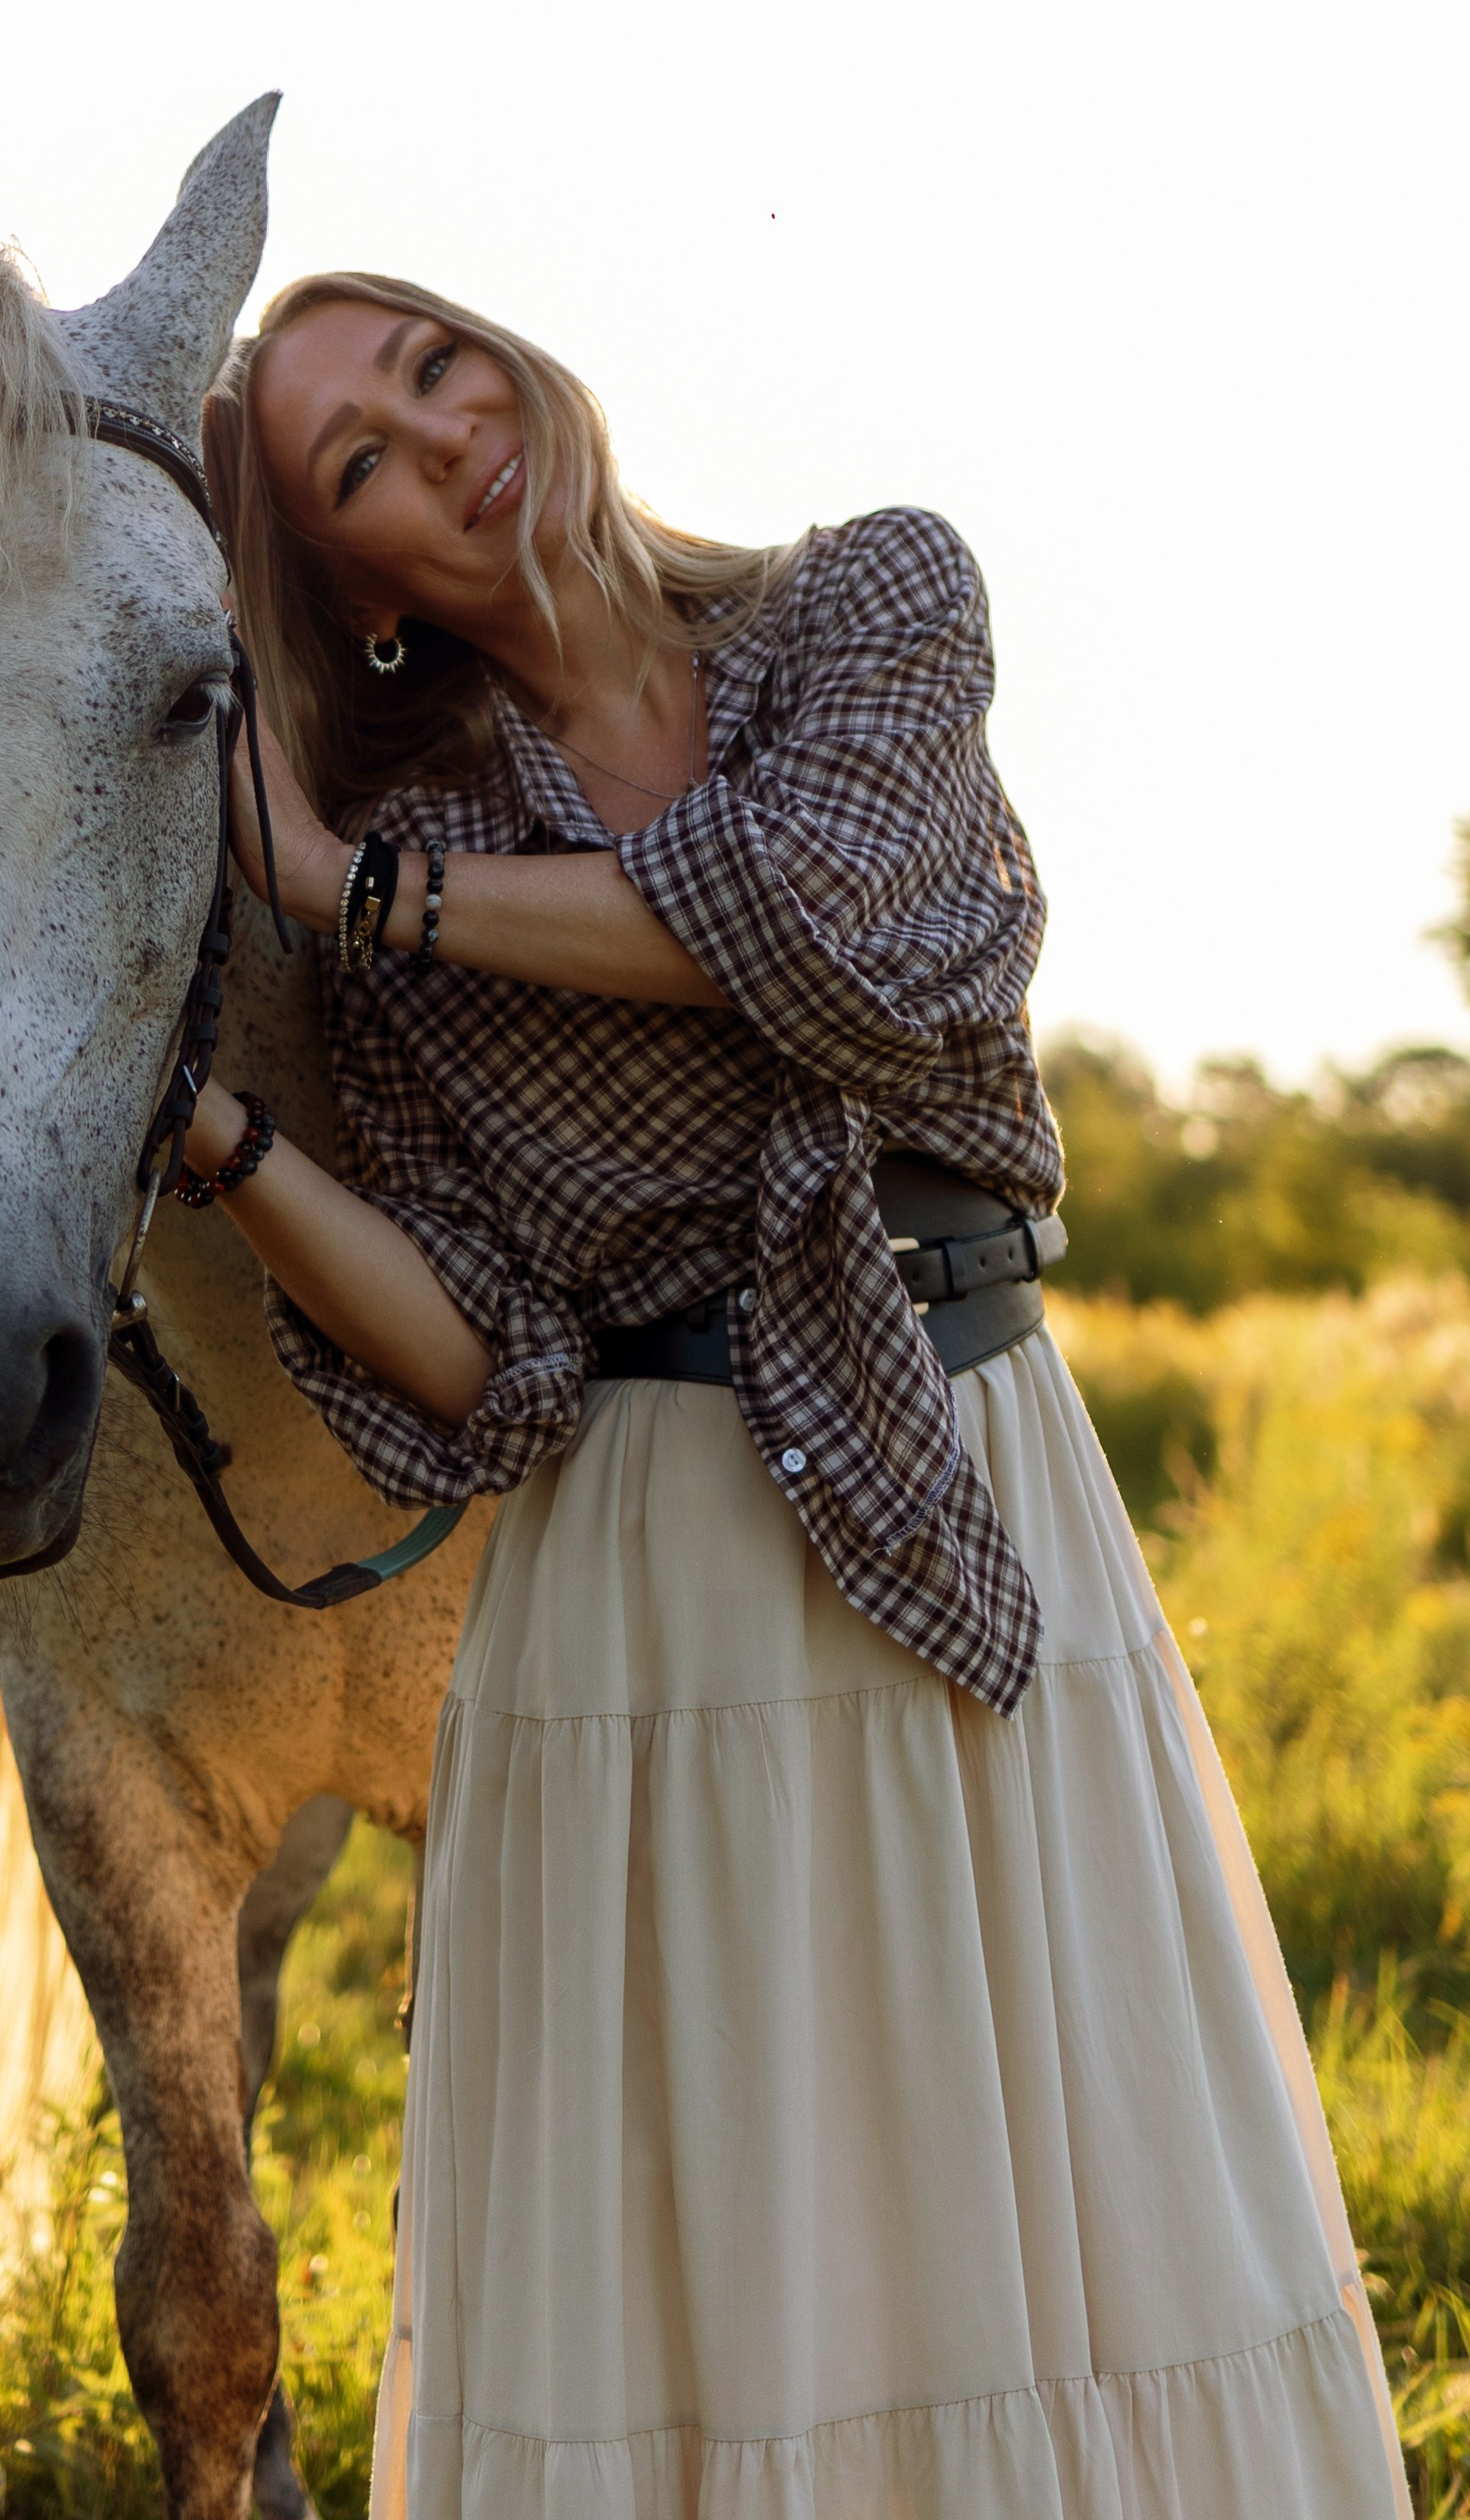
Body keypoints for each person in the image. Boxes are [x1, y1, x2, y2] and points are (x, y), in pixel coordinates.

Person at [182, 273, 1408, 2520]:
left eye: (436, 367)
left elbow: (813, 923)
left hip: (969, 1465)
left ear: (512, 359)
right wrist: (221, 1143)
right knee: (724, 2216)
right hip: (647, 1581)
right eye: (361, 461)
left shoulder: (870, 606)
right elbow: (488, 1355)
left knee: (1065, 2186)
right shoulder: (420, 846)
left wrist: (355, 889)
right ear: (355, 593)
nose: (442, 437)